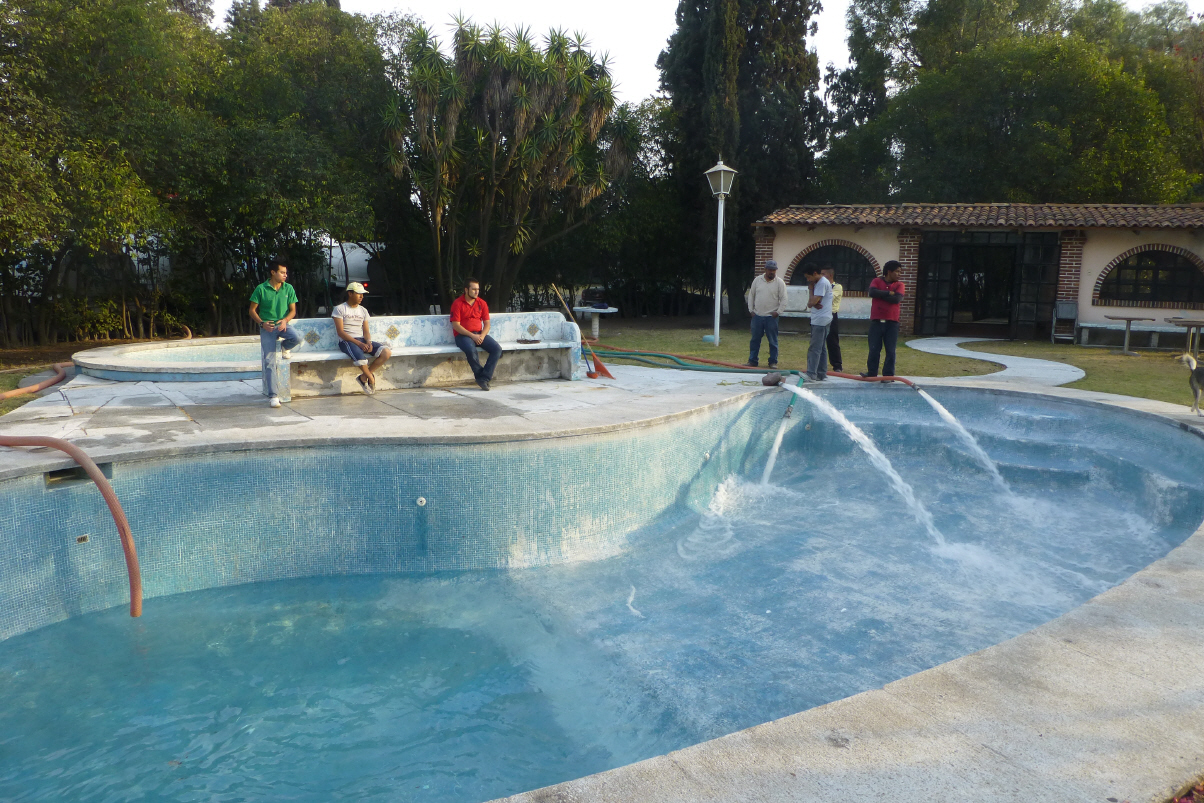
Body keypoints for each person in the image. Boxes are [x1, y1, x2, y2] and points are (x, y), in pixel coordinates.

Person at [249, 257, 301, 408]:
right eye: (282, 272)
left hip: (282, 325)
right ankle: (274, 395)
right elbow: (252, 310)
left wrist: (285, 320)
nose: (285, 275)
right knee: (269, 361)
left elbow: (293, 311)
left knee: (297, 337)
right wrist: (262, 323)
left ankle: (285, 346)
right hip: (267, 327)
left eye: (286, 272)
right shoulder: (261, 288)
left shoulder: (288, 288)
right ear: (273, 272)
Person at [332, 282, 391, 395]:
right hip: (347, 341)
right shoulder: (340, 309)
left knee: (386, 352)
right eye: (358, 294)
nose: (361, 297)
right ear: (350, 294)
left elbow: (366, 331)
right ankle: (371, 378)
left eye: (362, 294)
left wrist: (368, 342)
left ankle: (363, 377)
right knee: (360, 358)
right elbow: (341, 332)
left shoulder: (363, 310)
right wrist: (359, 344)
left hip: (361, 340)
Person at [450, 277, 503, 391]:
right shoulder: (457, 303)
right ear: (466, 290)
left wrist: (481, 336)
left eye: (478, 289)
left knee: (497, 349)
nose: (476, 292)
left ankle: (484, 378)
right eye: (473, 289)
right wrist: (472, 336)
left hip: (479, 334)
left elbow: (487, 324)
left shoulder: (482, 303)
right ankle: (481, 377)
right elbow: (456, 325)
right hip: (462, 336)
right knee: (471, 349)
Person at [863, 260, 906, 379]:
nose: (899, 274)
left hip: (892, 322)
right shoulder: (876, 281)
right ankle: (872, 373)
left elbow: (896, 299)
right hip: (876, 321)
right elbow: (872, 292)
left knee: (890, 350)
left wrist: (881, 295)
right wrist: (888, 293)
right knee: (874, 349)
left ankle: (888, 375)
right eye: (897, 271)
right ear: (889, 271)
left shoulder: (899, 285)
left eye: (900, 272)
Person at [746, 259, 788, 368]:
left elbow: (784, 299)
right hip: (757, 316)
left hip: (771, 317)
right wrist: (751, 310)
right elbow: (751, 295)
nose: (772, 272)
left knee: (773, 341)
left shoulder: (780, 283)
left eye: (773, 270)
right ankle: (752, 360)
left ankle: (773, 362)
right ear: (765, 269)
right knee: (755, 340)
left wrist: (778, 312)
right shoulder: (757, 280)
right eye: (770, 270)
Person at [804, 265, 833, 381]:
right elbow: (812, 303)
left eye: (809, 277)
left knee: (814, 348)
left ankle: (811, 373)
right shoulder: (820, 283)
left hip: (820, 320)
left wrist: (811, 290)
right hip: (822, 319)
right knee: (821, 347)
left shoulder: (821, 283)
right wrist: (812, 302)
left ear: (815, 273)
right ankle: (821, 373)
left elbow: (812, 302)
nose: (808, 280)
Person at [821, 266, 843, 373]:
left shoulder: (837, 286)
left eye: (823, 274)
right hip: (821, 314)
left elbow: (829, 297)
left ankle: (837, 365)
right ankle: (820, 365)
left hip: (832, 315)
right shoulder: (819, 285)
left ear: (830, 275)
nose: (821, 276)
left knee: (832, 341)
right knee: (819, 341)